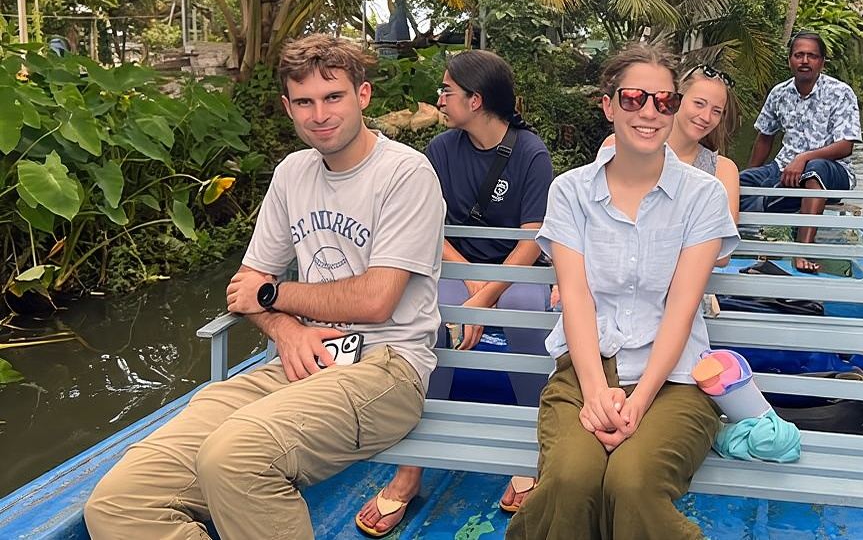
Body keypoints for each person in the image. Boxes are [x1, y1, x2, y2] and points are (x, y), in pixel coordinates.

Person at [83, 35, 445, 540]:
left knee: (234, 456)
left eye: (333, 97)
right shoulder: (292, 173)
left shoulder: (406, 173)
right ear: (287, 108)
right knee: (119, 503)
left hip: (385, 368)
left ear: (362, 96)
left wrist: (276, 297)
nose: (320, 114)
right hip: (298, 362)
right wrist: (286, 331)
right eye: (304, 102)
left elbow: (374, 299)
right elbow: (247, 285)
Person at [507, 44, 740, 540]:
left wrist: (638, 403)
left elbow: (681, 307)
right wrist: (595, 395)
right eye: (634, 99)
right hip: (589, 365)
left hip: (675, 376)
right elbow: (577, 298)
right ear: (609, 105)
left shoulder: (703, 195)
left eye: (664, 101)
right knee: (571, 478)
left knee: (632, 483)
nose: (650, 112)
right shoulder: (570, 191)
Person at [356, 50, 553, 535]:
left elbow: (533, 237)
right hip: (454, 266)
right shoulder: (441, 150)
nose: (439, 99)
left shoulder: (531, 153)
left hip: (516, 270)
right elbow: (430, 228)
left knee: (529, 318)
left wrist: (487, 296)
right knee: (426, 320)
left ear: (476, 99)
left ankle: (531, 452)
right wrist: (471, 286)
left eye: (447, 90)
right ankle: (411, 467)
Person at [739, 31, 862, 271]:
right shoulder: (779, 93)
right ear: (790, 60)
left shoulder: (840, 92)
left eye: (812, 56)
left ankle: (803, 249)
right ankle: (727, 240)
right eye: (799, 55)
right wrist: (752, 179)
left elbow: (846, 146)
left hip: (832, 172)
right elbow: (764, 138)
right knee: (733, 183)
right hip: (783, 168)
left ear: (822, 62)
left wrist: (803, 158)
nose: (805, 61)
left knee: (814, 170)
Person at [601, 61, 741, 226]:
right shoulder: (618, 145)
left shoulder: (722, 170)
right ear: (676, 100)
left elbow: (721, 241)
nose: (706, 117)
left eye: (716, 111)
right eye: (699, 104)